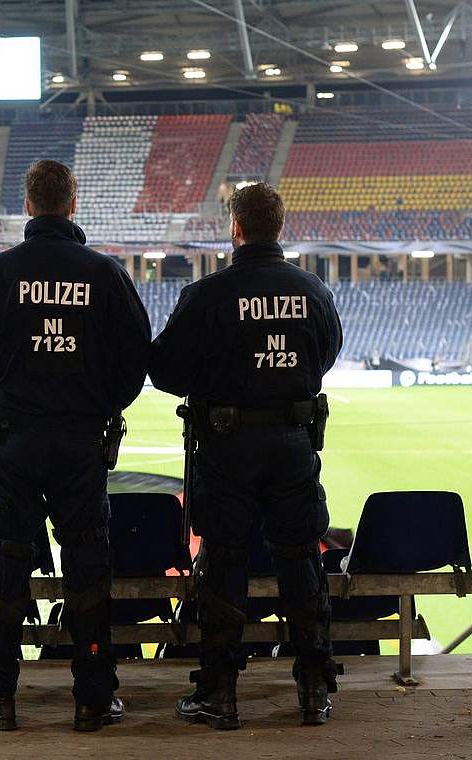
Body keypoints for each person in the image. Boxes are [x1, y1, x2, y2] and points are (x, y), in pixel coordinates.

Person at [0, 159, 151, 733]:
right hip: (83, 443)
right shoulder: (105, 275)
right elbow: (138, 359)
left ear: (29, 205)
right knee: (88, 565)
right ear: (73, 203)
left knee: (5, 563)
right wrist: (103, 407)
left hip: (12, 442)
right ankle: (92, 697)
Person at [149, 182, 344, 730]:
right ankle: (312, 689)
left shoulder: (209, 294)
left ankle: (221, 692)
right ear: (278, 227)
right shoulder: (313, 291)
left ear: (235, 228)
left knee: (224, 563)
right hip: (292, 443)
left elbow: (163, 370)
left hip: (227, 446)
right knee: (301, 558)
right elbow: (326, 352)